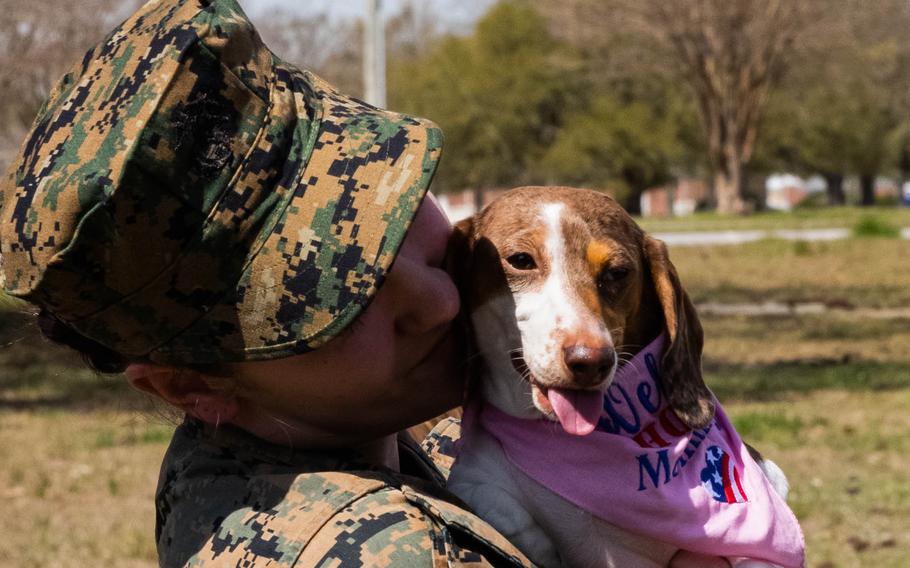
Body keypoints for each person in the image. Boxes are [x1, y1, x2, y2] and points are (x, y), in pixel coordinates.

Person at [0, 0, 534, 565]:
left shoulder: (231, 462)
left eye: (394, 211)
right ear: (188, 388)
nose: (442, 300)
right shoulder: (400, 553)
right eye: (337, 297)